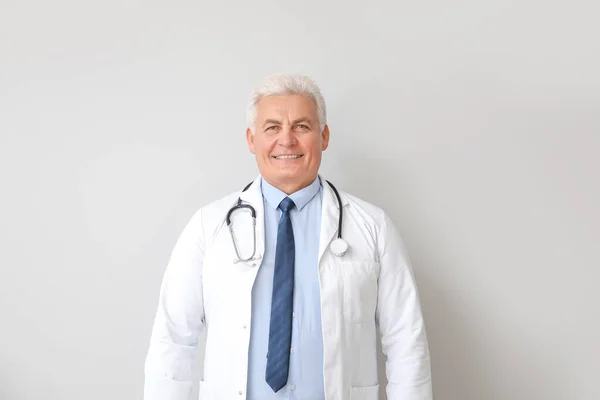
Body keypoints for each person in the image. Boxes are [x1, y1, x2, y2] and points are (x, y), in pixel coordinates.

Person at [143, 73, 433, 400]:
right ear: (252, 140)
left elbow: (406, 342)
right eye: (272, 128)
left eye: (301, 126)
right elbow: (173, 340)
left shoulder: (373, 226)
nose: (287, 140)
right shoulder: (208, 226)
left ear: (324, 136)